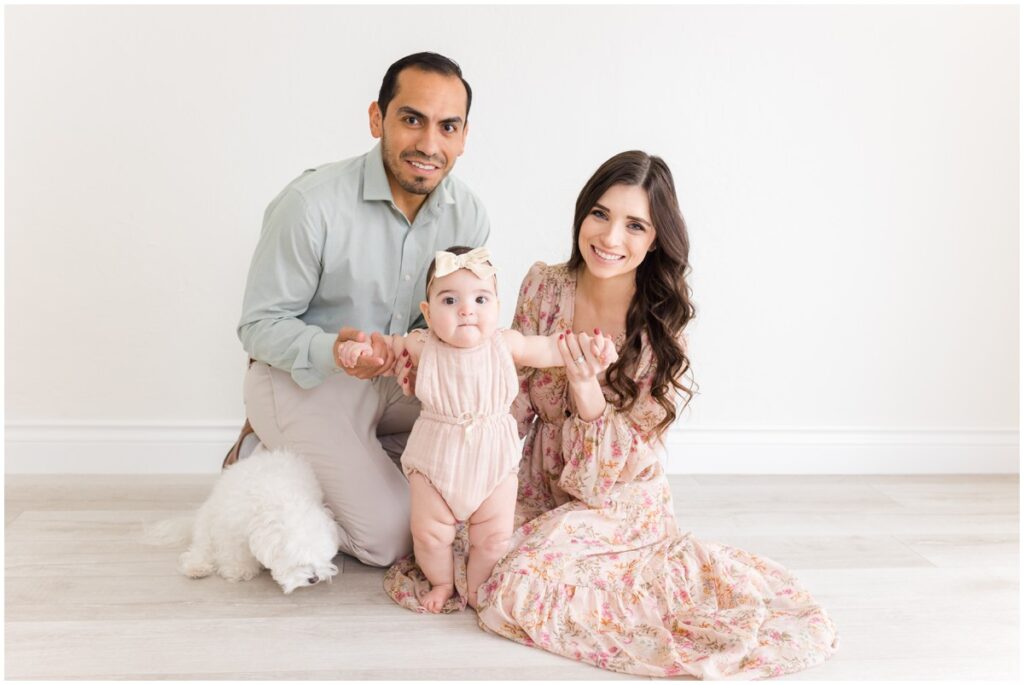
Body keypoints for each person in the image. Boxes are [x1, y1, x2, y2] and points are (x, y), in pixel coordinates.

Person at [467, 151, 838, 678]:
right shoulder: (544, 285)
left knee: (521, 578)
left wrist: (583, 387)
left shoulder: (661, 327)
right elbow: (516, 401)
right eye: (600, 214)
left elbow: (604, 479)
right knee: (463, 544)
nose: (610, 238)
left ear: (656, 238)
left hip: (618, 494)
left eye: (634, 225)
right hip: (540, 480)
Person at [228, 52, 489, 569]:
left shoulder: (470, 215)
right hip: (305, 381)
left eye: (447, 127)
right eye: (411, 119)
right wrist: (336, 350)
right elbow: (258, 326)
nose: (429, 144)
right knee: (394, 537)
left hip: (396, 383)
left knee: (486, 439)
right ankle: (264, 465)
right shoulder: (310, 204)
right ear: (378, 119)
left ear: (463, 137)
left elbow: (449, 323)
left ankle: (354, 457)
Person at [341, 246, 618, 613]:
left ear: (497, 307)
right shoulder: (421, 344)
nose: (466, 309)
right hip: (435, 457)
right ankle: (441, 581)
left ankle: (476, 587)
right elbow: (386, 350)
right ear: (427, 313)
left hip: (494, 459)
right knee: (429, 533)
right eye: (450, 299)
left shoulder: (507, 344)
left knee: (492, 536)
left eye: (480, 299)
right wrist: (357, 352)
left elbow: (553, 348)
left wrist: (590, 348)